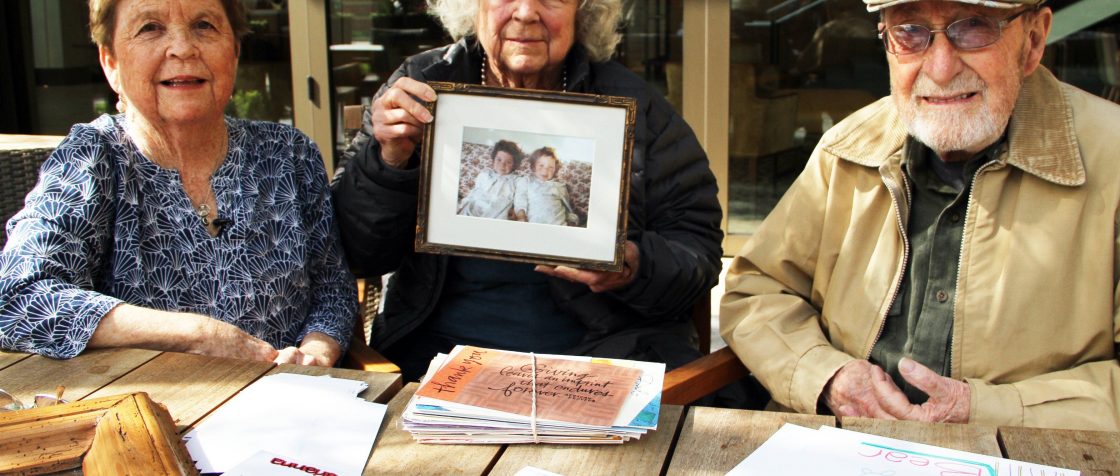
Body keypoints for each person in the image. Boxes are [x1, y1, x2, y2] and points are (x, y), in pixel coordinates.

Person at [721, 0, 1120, 430]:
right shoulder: (848, 148)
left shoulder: (1111, 158)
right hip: (841, 444)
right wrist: (827, 376)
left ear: (1034, 40)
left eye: (974, 28)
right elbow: (757, 291)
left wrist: (986, 411)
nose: (941, 69)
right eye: (909, 32)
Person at [333, 0, 722, 381]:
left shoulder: (637, 105)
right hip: (437, 353)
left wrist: (636, 266)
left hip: (603, 354)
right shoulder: (421, 84)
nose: (525, 12)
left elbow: (696, 251)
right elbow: (354, 254)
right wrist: (389, 162)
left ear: (583, 10)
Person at [0, 0, 356, 367]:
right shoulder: (94, 158)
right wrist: (196, 335)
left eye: (204, 25)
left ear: (234, 52)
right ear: (111, 64)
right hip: (148, 400)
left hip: (290, 394)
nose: (183, 48)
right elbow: (17, 298)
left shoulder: (288, 153)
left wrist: (314, 355)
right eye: (150, 28)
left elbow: (333, 290)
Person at [458, 140, 523, 219]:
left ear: (514, 165)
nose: (502, 165)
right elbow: (474, 192)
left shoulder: (517, 181)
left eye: (508, 162)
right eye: (499, 160)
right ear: (493, 159)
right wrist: (462, 205)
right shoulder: (485, 174)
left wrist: (517, 211)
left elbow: (520, 199)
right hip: (474, 208)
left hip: (497, 213)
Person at [514, 147, 579, 226]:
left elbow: (567, 208)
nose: (545, 170)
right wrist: (521, 216)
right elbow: (520, 199)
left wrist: (571, 219)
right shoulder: (526, 181)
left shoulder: (559, 186)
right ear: (533, 166)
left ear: (555, 169)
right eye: (541, 165)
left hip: (558, 225)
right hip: (534, 224)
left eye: (551, 167)